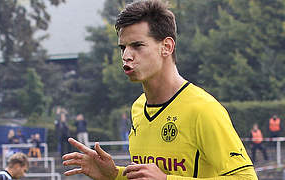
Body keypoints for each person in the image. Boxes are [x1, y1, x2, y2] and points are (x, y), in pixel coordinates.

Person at [62, 0, 257, 179]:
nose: (126, 56)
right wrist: (114, 175)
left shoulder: (203, 110)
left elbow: (246, 178)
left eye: (137, 45)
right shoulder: (138, 108)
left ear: (167, 46)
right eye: (123, 48)